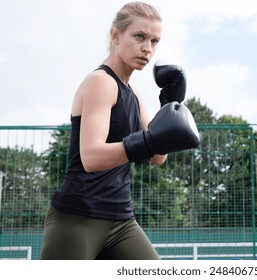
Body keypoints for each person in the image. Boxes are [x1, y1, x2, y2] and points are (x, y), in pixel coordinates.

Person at [41, 1, 199, 260]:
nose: (147, 48)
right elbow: (91, 158)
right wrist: (148, 141)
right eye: (139, 36)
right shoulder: (100, 82)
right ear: (116, 35)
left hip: (121, 220)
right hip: (78, 217)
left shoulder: (135, 95)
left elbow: (159, 157)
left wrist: (169, 107)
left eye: (155, 41)